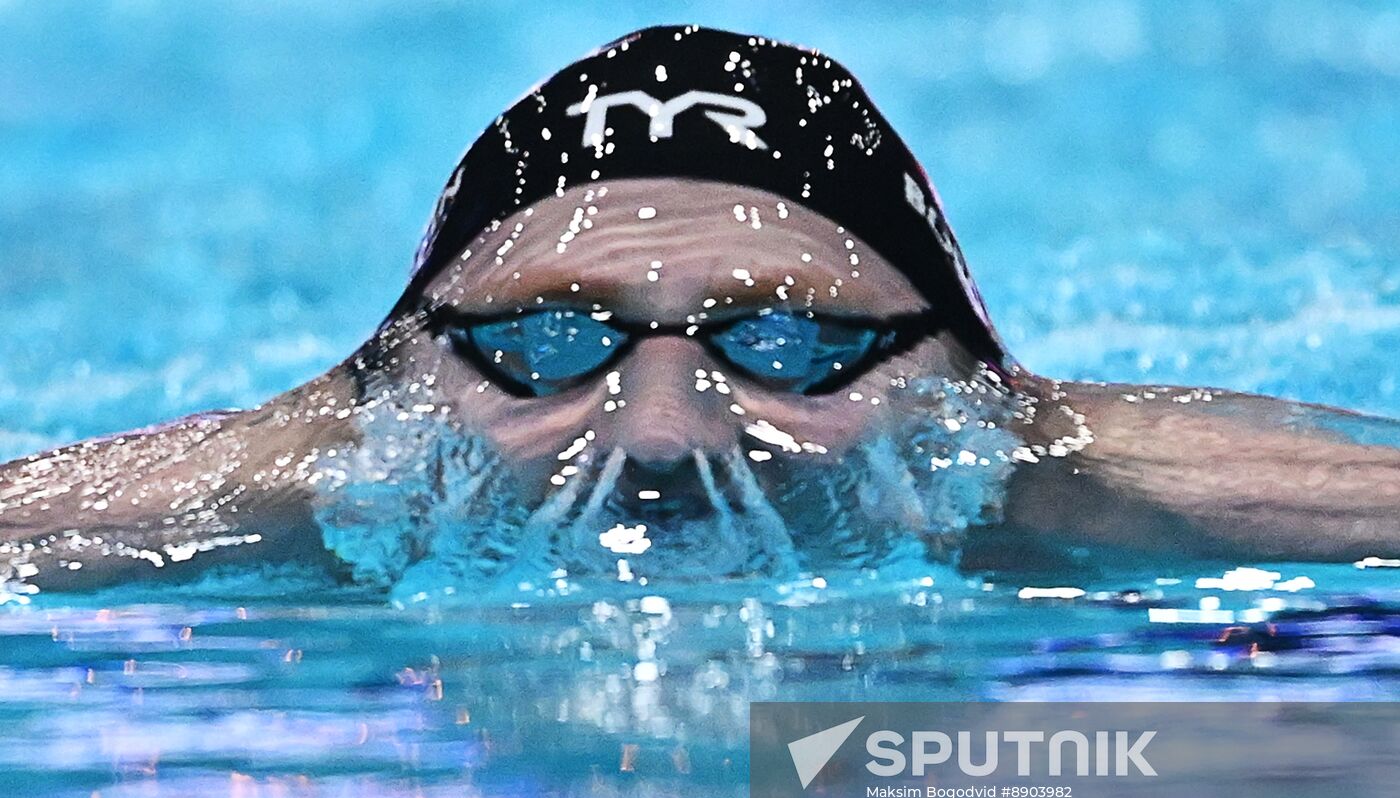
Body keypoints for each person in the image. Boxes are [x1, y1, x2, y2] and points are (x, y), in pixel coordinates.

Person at [4, 25, 1399, 595]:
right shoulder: (325, 471)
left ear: (966, 394)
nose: (661, 433)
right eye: (544, 341)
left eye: (792, 345)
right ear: (391, 390)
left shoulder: (1047, 471)